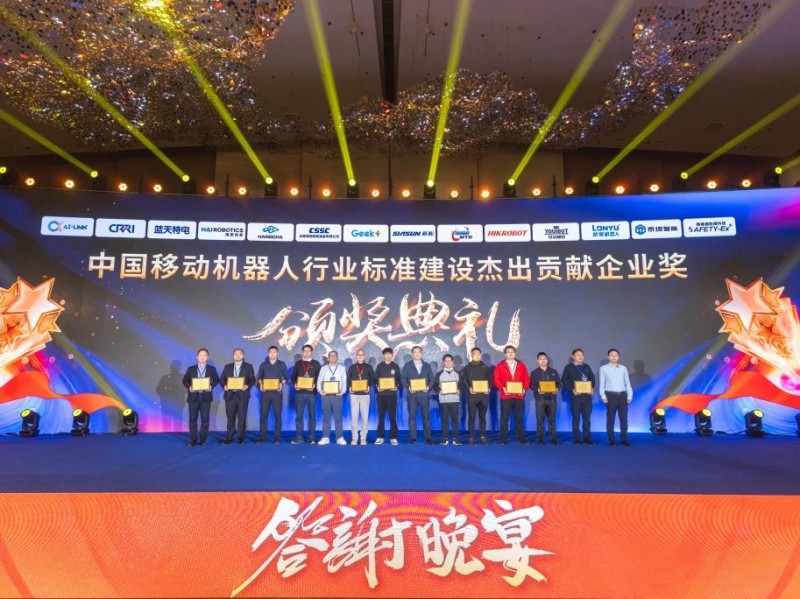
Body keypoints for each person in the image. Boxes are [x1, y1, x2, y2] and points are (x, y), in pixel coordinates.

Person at [493, 345, 531, 445]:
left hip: (519, 396)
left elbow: (526, 379)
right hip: (506, 396)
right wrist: (503, 388)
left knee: (519, 418)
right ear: (505, 354)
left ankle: (521, 438)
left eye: (512, 352)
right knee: (504, 418)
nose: (510, 354)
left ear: (515, 353)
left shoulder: (522, 365)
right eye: (508, 352)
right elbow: (496, 379)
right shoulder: (500, 365)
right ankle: (503, 439)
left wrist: (524, 389)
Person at [181, 348, 220, 446]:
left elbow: (216, 380)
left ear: (208, 357)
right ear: (197, 357)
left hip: (206, 397)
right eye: (200, 355)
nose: (202, 357)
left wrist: (211, 386)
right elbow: (185, 380)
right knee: (192, 420)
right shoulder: (191, 369)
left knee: (205, 420)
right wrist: (189, 387)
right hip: (193, 397)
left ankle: (203, 440)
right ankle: (193, 440)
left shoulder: (212, 369)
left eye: (205, 355)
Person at [220, 348, 256, 444]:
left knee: (242, 417)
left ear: (243, 356)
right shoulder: (227, 367)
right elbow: (222, 380)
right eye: (236, 353)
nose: (238, 355)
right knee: (230, 418)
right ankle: (229, 437)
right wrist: (224, 386)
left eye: (240, 353)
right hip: (230, 395)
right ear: (233, 356)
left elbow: (252, 380)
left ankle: (241, 438)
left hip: (243, 395)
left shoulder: (248, 366)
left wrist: (247, 386)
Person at [561, 348, 596, 445]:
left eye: (582, 355)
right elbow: (564, 380)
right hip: (575, 396)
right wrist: (572, 389)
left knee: (587, 418)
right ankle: (577, 439)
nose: (580, 357)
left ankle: (587, 438)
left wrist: (591, 388)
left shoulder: (587, 367)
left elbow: (592, 379)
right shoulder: (568, 367)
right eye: (578, 355)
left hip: (587, 397)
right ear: (573, 357)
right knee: (576, 418)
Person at [599, 348, 634, 446]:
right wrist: (603, 395)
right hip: (610, 395)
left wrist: (630, 395)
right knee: (611, 418)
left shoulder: (623, 368)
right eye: (611, 355)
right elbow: (602, 383)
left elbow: (627, 382)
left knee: (624, 419)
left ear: (619, 357)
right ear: (608, 357)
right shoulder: (603, 368)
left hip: (623, 395)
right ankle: (611, 440)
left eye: (616, 355)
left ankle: (624, 439)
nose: (614, 357)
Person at [400, 345, 434, 444]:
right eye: (415, 352)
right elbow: (403, 378)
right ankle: (413, 437)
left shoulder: (427, 365)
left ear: (421, 353)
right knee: (412, 417)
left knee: (426, 417)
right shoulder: (407, 365)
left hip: (424, 395)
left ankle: (428, 437)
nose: (417, 354)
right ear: (412, 354)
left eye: (419, 352)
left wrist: (428, 387)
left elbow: (432, 378)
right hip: (412, 395)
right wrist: (408, 387)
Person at [256, 345, 288, 444]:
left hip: (277, 394)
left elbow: (286, 378)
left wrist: (282, 383)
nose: (272, 354)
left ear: (277, 353)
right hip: (265, 394)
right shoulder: (263, 365)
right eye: (270, 352)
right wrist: (261, 384)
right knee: (263, 416)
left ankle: (277, 438)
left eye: (274, 352)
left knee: (277, 416)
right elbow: (259, 378)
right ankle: (262, 437)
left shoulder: (282, 364)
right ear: (268, 353)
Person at [291, 344, 321, 444]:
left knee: (312, 416)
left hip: (311, 394)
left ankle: (311, 438)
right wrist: (296, 384)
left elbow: (319, 378)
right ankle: (298, 437)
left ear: (311, 352)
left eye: (309, 350)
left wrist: (315, 385)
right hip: (299, 394)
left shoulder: (316, 363)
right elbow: (293, 377)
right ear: (302, 352)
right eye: (305, 350)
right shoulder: (298, 363)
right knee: (299, 416)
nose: (307, 352)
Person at [318, 350, 348, 445]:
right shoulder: (323, 368)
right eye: (331, 356)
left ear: (337, 357)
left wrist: (342, 392)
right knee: (326, 418)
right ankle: (325, 437)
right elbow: (319, 381)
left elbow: (344, 381)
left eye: (335, 355)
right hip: (325, 396)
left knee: (338, 418)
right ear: (328, 358)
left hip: (337, 396)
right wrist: (320, 391)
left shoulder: (342, 368)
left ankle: (340, 437)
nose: (333, 357)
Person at [530, 352, 561, 445]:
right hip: (540, 399)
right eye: (541, 359)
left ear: (547, 360)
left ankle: (553, 438)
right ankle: (540, 438)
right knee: (540, 420)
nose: (543, 360)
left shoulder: (553, 371)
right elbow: (531, 385)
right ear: (537, 361)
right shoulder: (534, 373)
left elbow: (559, 383)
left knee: (552, 420)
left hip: (552, 399)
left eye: (545, 359)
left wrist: (557, 389)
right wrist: (537, 389)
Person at [461, 347, 491, 445]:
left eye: (478, 353)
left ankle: (483, 437)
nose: (477, 355)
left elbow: (490, 380)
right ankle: (471, 437)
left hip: (483, 396)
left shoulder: (486, 368)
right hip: (472, 396)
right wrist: (469, 388)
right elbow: (464, 380)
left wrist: (489, 388)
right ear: (471, 355)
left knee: (482, 417)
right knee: (472, 417)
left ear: (480, 355)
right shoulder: (467, 368)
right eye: (474, 353)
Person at [347, 348, 375, 445]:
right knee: (354, 417)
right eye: (358, 354)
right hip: (354, 395)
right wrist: (350, 387)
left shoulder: (369, 367)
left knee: (365, 417)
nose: (360, 356)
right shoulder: (351, 367)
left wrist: (369, 386)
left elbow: (373, 379)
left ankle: (363, 437)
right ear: (356, 356)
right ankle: (354, 437)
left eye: (362, 354)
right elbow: (348, 380)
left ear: (364, 356)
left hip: (365, 395)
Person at [374, 347, 401, 445]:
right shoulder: (379, 366)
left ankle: (393, 437)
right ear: (383, 355)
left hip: (392, 395)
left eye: (389, 354)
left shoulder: (395, 366)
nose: (388, 356)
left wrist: (396, 386)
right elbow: (376, 379)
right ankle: (380, 436)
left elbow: (398, 379)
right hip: (381, 395)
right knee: (381, 416)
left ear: (392, 355)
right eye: (386, 354)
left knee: (392, 416)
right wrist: (377, 386)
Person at [434, 354, 462, 445]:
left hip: (454, 400)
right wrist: (439, 390)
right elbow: (435, 385)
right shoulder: (439, 374)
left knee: (455, 420)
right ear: (443, 363)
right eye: (446, 361)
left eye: (449, 361)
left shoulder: (457, 373)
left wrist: (459, 389)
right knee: (444, 420)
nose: (448, 362)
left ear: (452, 362)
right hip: (443, 400)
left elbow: (461, 384)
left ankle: (456, 439)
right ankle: (444, 439)